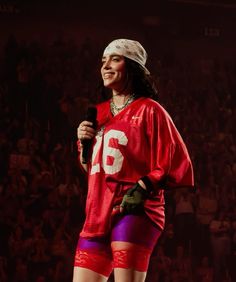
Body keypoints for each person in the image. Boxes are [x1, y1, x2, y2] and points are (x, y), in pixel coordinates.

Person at [73, 38, 194, 282]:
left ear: (132, 66)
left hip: (134, 210)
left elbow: (174, 159)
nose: (106, 66)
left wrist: (143, 185)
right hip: (97, 212)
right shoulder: (98, 113)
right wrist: (82, 143)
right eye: (103, 61)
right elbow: (91, 169)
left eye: (114, 59)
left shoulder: (150, 109)